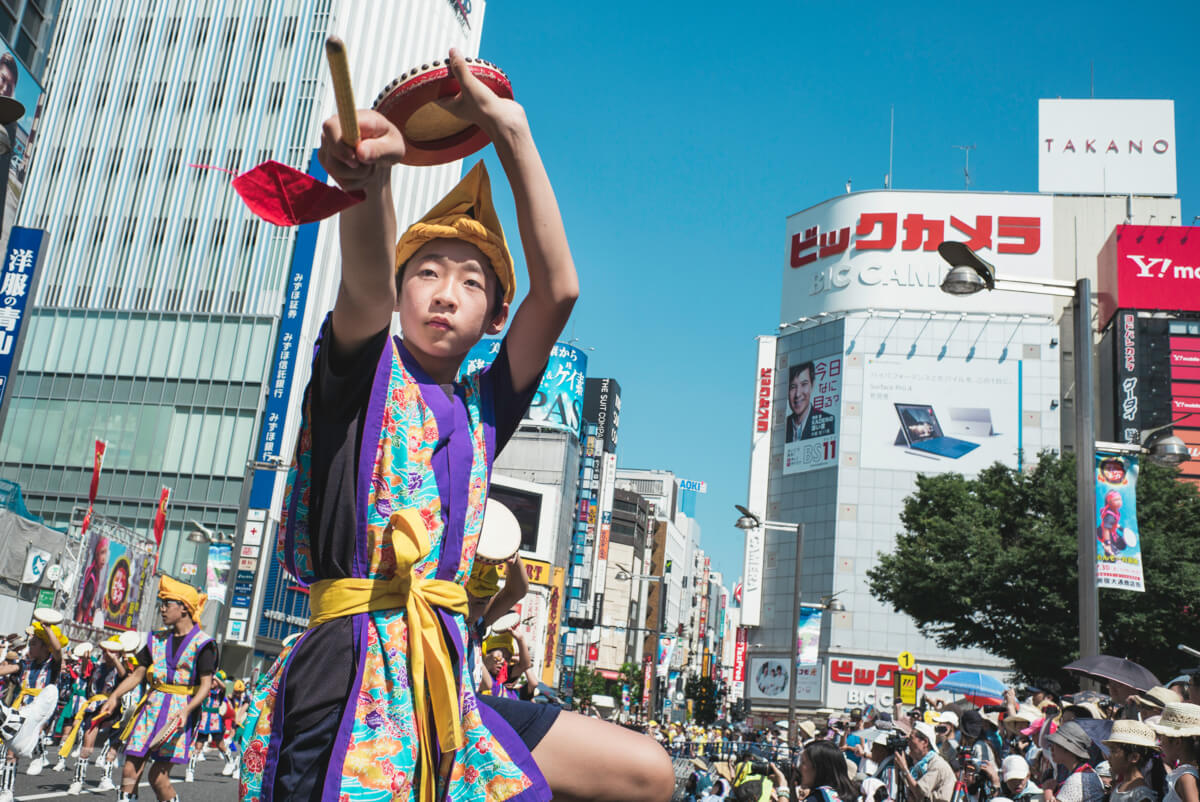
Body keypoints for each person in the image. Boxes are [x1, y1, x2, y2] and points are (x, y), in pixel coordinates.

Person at [236, 49, 672, 802]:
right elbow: (364, 283)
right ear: (402, 294)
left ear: (494, 316)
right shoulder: (361, 372)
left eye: (471, 282)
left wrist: (513, 132)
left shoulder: (482, 406)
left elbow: (559, 290)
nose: (445, 292)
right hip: (350, 674)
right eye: (427, 272)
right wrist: (369, 180)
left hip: (445, 690)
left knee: (648, 772)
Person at [97, 576, 216, 802]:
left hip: (178, 715)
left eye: (167, 603)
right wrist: (114, 696)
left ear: (184, 608)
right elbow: (138, 675)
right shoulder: (156, 639)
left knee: (157, 777)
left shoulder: (203, 644)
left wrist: (187, 711)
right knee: (129, 770)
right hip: (150, 709)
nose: (161, 609)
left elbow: (206, 686)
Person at [0, 618, 65, 799]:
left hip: (43, 710)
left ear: (45, 647)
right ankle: (6, 791)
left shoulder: (53, 664)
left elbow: (58, 649)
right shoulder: (25, 664)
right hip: (23, 709)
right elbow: (7, 669)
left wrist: (47, 628)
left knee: (28, 738)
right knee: (12, 750)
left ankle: (39, 752)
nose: (30, 647)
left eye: (34, 643)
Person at [60, 637, 128, 795]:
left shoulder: (121, 668)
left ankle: (106, 778)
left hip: (115, 707)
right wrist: (84, 660)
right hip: (95, 707)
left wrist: (116, 658)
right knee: (87, 746)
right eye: (105, 651)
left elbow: (125, 676)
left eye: (111, 651)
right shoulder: (98, 666)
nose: (107, 654)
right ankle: (78, 781)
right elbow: (84, 674)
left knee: (113, 748)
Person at [1150, 702, 1200, 802]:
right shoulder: (1185, 774)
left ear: (1177, 742)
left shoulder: (1186, 777)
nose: (1160, 743)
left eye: (1162, 737)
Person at [1043, 720, 1103, 802]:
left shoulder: (1076, 780)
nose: (1051, 748)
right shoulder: (1088, 772)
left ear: (1067, 749)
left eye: (1055, 744)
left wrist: (1048, 790)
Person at [894, 722, 955, 802]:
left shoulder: (937, 765)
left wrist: (904, 769)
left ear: (925, 742)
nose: (908, 743)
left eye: (911, 739)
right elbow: (905, 788)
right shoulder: (920, 764)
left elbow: (919, 793)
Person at [1102, 720, 1159, 802]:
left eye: (1114, 751)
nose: (1109, 757)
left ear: (1134, 757)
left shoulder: (1141, 794)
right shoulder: (1121, 785)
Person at [785, 362, 835, 443]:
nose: (798, 394)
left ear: (812, 385)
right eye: (792, 387)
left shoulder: (828, 422)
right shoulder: (783, 427)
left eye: (804, 384)